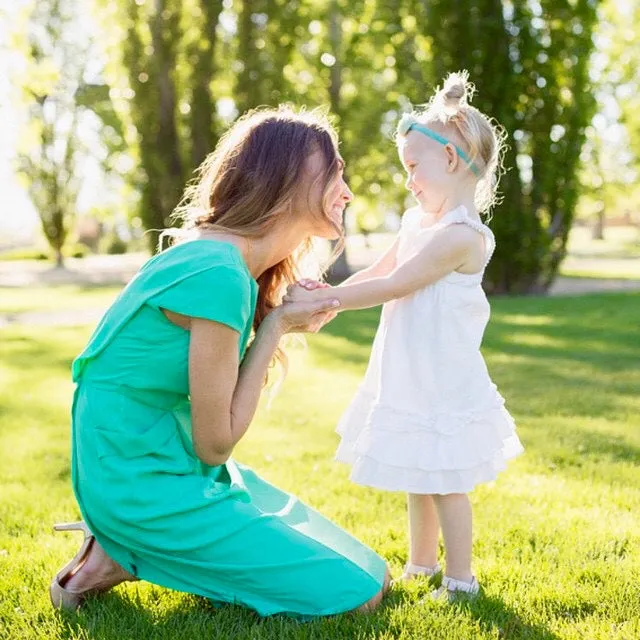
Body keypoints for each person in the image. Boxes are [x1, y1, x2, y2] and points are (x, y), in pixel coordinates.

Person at [50, 107, 390, 618]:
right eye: (335, 170)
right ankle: (118, 546)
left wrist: (277, 318)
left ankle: (123, 548)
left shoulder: (226, 262)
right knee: (358, 596)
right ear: (290, 179)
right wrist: (276, 327)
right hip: (136, 480)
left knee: (373, 570)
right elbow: (215, 443)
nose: (346, 189)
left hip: (168, 460)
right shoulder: (218, 274)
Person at [284, 72, 524, 600]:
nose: (409, 180)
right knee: (419, 472)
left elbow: (398, 284)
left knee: (446, 481)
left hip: (443, 375)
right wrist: (326, 289)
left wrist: (326, 301)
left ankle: (461, 579)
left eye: (414, 168)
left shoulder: (462, 236)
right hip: (410, 367)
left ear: (452, 163)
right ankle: (420, 566)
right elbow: (378, 271)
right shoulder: (419, 223)